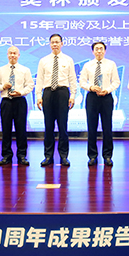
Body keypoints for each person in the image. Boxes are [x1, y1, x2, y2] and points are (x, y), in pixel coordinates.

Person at [35, 33, 77, 167]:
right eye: (52, 42)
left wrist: (73, 95)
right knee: (48, 126)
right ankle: (48, 156)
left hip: (62, 93)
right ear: (49, 44)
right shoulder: (43, 60)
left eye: (57, 42)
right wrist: (38, 96)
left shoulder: (68, 60)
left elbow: (72, 79)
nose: (55, 44)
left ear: (62, 44)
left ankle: (64, 156)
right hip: (48, 93)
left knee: (63, 126)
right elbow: (40, 79)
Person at [79, 42, 120, 167]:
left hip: (106, 97)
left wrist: (107, 90)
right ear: (93, 51)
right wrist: (91, 87)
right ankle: (92, 156)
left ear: (105, 51)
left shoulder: (111, 64)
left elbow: (116, 82)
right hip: (92, 97)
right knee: (92, 127)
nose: (99, 51)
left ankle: (107, 156)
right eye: (96, 49)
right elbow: (82, 81)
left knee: (107, 127)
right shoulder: (88, 65)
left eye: (101, 49)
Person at [0, 46, 34, 166]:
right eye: (10, 53)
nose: (12, 55)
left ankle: (22, 155)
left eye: (15, 53)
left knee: (21, 129)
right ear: (7, 55)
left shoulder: (25, 70)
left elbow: (30, 85)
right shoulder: (1, 70)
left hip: (19, 101)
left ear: (19, 55)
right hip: (6, 101)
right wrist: (3, 87)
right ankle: (6, 155)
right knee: (6, 129)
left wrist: (20, 92)